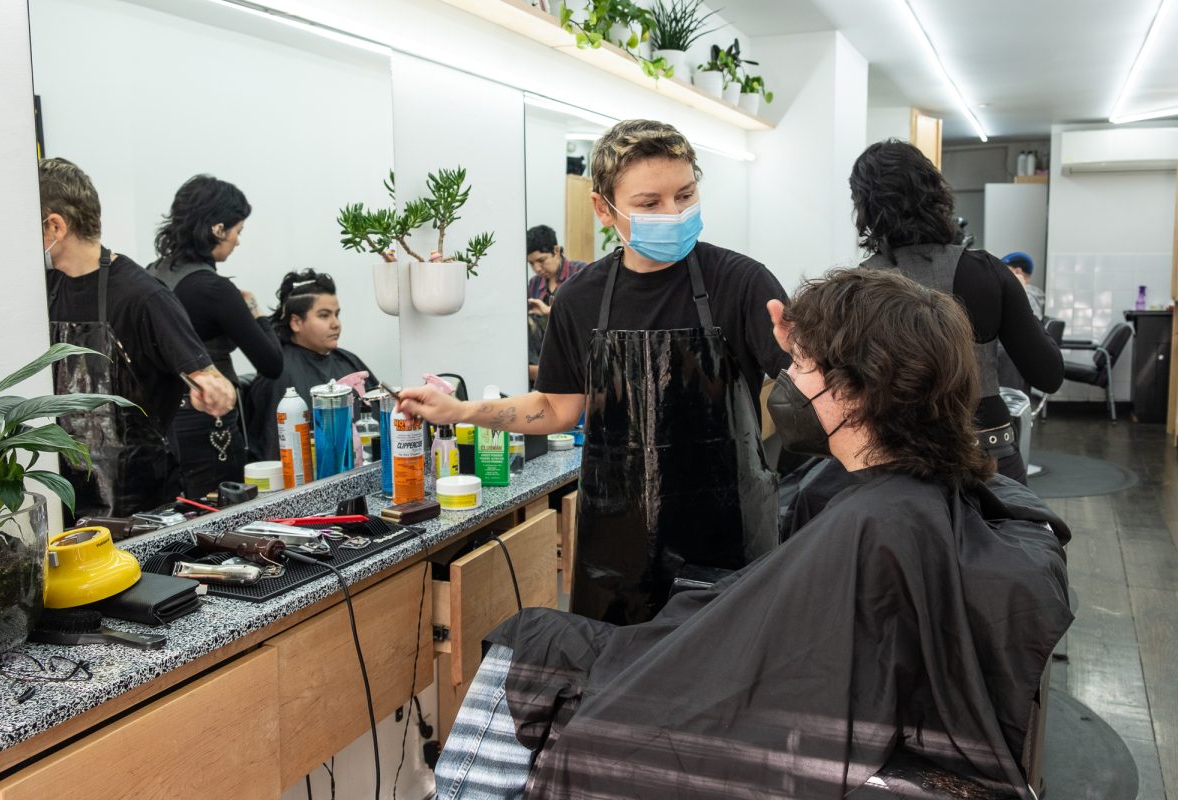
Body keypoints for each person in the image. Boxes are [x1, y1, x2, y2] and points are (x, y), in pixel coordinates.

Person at [435, 269, 1073, 800]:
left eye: (799, 366)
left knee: (533, 643)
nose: (786, 383)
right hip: (748, 658)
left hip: (758, 710)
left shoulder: (878, 521)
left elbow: (798, 676)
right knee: (549, 640)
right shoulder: (898, 490)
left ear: (854, 388)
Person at [400, 119, 791, 625]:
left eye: (686, 195)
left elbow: (806, 385)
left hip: (729, 544)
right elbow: (556, 407)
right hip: (618, 554)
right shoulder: (580, 299)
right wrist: (463, 410)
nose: (673, 214)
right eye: (650, 204)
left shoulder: (741, 282)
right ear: (603, 208)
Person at [849, 140, 1063, 484]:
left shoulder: (859, 286)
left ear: (866, 208)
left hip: (896, 465)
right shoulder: (990, 273)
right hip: (988, 455)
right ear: (936, 194)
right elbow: (1048, 374)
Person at [39, 158, 235, 521]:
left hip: (140, 510)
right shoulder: (43, 289)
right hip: (64, 500)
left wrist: (212, 386)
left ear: (55, 226)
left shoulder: (143, 296)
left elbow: (208, 376)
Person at [148, 175, 283, 498]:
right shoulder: (215, 291)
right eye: (238, 231)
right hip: (207, 428)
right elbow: (271, 363)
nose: (238, 241)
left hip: (158, 428)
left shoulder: (150, 274)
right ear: (218, 229)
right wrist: (254, 309)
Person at [246, 269, 377, 461]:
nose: (336, 324)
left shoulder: (349, 361)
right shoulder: (279, 374)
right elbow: (273, 451)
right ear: (296, 322)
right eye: (324, 316)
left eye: (336, 314)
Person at [526, 224, 587, 383]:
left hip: (572, 353)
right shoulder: (534, 284)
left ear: (556, 251)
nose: (537, 268)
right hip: (542, 353)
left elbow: (588, 316)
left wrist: (549, 312)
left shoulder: (580, 274)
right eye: (531, 264)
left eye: (541, 260)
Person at [1003, 251, 1046, 318]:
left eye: (1004, 270)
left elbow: (1029, 327)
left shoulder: (1028, 297)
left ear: (1017, 272)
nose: (1001, 274)